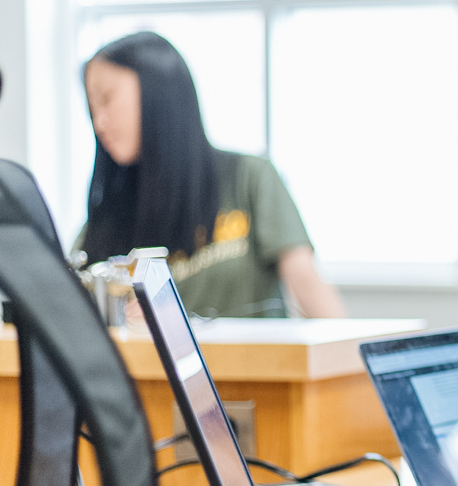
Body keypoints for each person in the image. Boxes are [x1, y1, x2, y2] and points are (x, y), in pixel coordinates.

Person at [78, 31, 345, 319]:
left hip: (254, 363)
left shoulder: (249, 178)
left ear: (156, 92)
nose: (98, 122)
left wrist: (350, 359)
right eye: (92, 107)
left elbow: (308, 285)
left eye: (106, 99)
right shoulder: (109, 212)